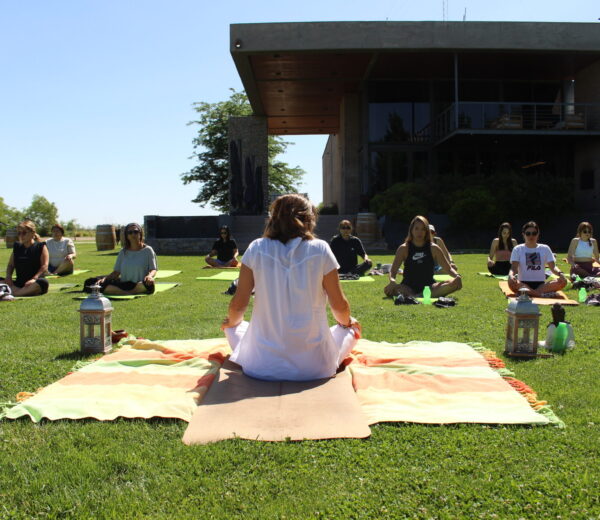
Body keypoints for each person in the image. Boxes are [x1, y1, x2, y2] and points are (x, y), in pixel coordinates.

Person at [220, 194, 362, 381]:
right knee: (350, 328)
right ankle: (349, 331)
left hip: (260, 366)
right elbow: (339, 306)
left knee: (233, 326)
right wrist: (347, 324)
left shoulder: (256, 248)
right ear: (309, 219)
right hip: (315, 367)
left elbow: (238, 305)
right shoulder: (320, 248)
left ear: (273, 219)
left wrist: (229, 324)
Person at [384, 216, 462, 298]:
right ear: (411, 230)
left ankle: (416, 296)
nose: (419, 232)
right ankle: (418, 296)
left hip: (430, 288)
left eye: (423, 229)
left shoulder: (434, 248)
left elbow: (448, 269)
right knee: (388, 290)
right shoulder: (404, 248)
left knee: (454, 284)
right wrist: (392, 281)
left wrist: (457, 276)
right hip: (408, 287)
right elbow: (393, 271)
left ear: (426, 231)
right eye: (416, 228)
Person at [96, 223, 157, 295]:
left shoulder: (148, 250)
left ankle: (125, 291)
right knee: (100, 285)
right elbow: (116, 272)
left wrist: (149, 276)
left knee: (149, 284)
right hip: (124, 285)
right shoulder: (123, 252)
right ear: (127, 236)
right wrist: (105, 279)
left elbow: (153, 269)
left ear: (140, 233)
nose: (133, 234)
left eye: (135, 232)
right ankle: (130, 292)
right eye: (130, 232)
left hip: (140, 284)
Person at [508, 221, 567, 297]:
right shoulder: (517, 249)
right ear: (523, 235)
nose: (531, 236)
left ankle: (529, 293)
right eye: (528, 233)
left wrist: (561, 274)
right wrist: (510, 275)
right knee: (511, 283)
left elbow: (553, 267)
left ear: (538, 234)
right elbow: (513, 268)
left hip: (541, 285)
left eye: (534, 233)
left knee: (563, 282)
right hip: (522, 284)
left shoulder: (545, 248)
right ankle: (541, 295)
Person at [0, 220, 49, 296]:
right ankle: (19, 292)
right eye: (19, 233)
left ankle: (13, 293)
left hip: (34, 283)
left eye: (24, 233)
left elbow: (44, 266)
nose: (21, 236)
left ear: (32, 233)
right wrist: (8, 276)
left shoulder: (41, 246)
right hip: (18, 284)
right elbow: (11, 265)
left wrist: (34, 279)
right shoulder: (17, 246)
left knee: (43, 283)